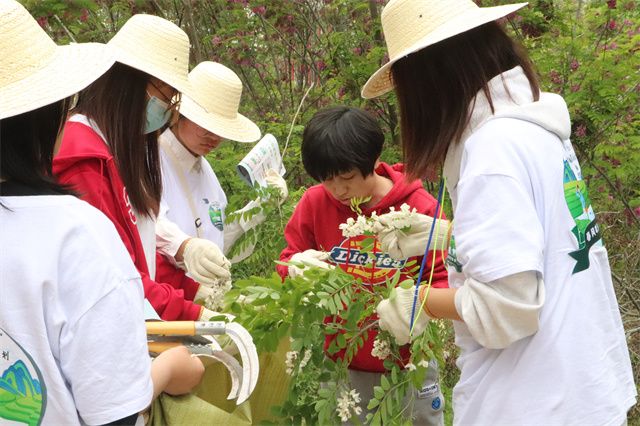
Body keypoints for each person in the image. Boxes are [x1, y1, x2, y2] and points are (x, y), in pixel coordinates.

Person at [365, 0, 637, 424]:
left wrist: (422, 301)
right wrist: (447, 236)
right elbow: (545, 238)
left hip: (531, 401)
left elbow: (508, 308)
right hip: (582, 386)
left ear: (428, 77)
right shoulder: (532, 125)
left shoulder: (491, 151)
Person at [0, 1, 203, 424]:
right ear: (40, 117)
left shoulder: (112, 159)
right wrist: (169, 366)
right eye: (166, 97)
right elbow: (114, 408)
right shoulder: (73, 226)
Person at [277, 106, 448, 425]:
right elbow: (287, 261)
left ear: (371, 161)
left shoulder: (418, 209)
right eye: (327, 180)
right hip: (344, 367)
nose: (338, 190)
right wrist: (296, 268)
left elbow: (443, 278)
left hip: (411, 365)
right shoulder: (315, 203)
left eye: (347, 178)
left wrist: (421, 307)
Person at [53, 14, 223, 321]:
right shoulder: (85, 160)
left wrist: (188, 288)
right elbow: (114, 276)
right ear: (130, 85)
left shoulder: (115, 151)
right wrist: (191, 313)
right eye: (166, 97)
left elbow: (138, 255)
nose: (169, 110)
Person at [155, 61, 288, 290]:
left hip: (206, 307)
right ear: (180, 112)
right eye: (206, 125)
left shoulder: (206, 173)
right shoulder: (150, 160)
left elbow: (217, 242)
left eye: (221, 129)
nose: (213, 137)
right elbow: (148, 225)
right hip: (164, 305)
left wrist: (261, 206)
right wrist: (185, 247)